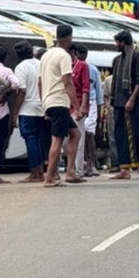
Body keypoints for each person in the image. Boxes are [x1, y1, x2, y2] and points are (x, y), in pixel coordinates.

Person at [39, 24, 83, 187]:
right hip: (59, 102)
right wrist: (76, 107)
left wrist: (43, 103)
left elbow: (40, 81)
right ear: (69, 38)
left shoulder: (46, 55)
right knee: (57, 139)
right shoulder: (64, 56)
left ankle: (70, 172)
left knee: (75, 134)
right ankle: (49, 177)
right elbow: (67, 82)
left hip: (49, 101)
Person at [110, 30, 139, 179]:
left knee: (137, 133)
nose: (116, 45)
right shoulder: (118, 59)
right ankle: (124, 169)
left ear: (123, 42)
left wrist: (132, 99)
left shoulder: (137, 55)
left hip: (132, 102)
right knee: (120, 136)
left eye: (117, 42)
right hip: (119, 102)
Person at [12, 40, 47, 183]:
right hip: (41, 107)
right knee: (38, 140)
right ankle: (40, 172)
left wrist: (15, 112)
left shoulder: (21, 67)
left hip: (27, 108)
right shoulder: (40, 64)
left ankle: (34, 172)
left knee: (30, 139)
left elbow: (22, 91)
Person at [0, 46, 18, 184]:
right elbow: (16, 84)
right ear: (5, 58)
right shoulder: (7, 71)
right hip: (2, 112)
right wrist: (6, 94)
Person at [76, 44, 102, 178]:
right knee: (79, 135)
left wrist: (99, 108)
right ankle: (84, 163)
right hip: (76, 104)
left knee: (89, 133)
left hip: (91, 104)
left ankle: (93, 163)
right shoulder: (72, 67)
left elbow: (98, 90)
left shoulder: (92, 69)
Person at [69, 44, 90, 178]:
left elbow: (85, 87)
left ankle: (78, 169)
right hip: (65, 106)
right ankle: (69, 167)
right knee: (64, 140)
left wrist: (82, 107)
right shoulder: (64, 65)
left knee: (79, 138)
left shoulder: (82, 66)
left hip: (77, 107)